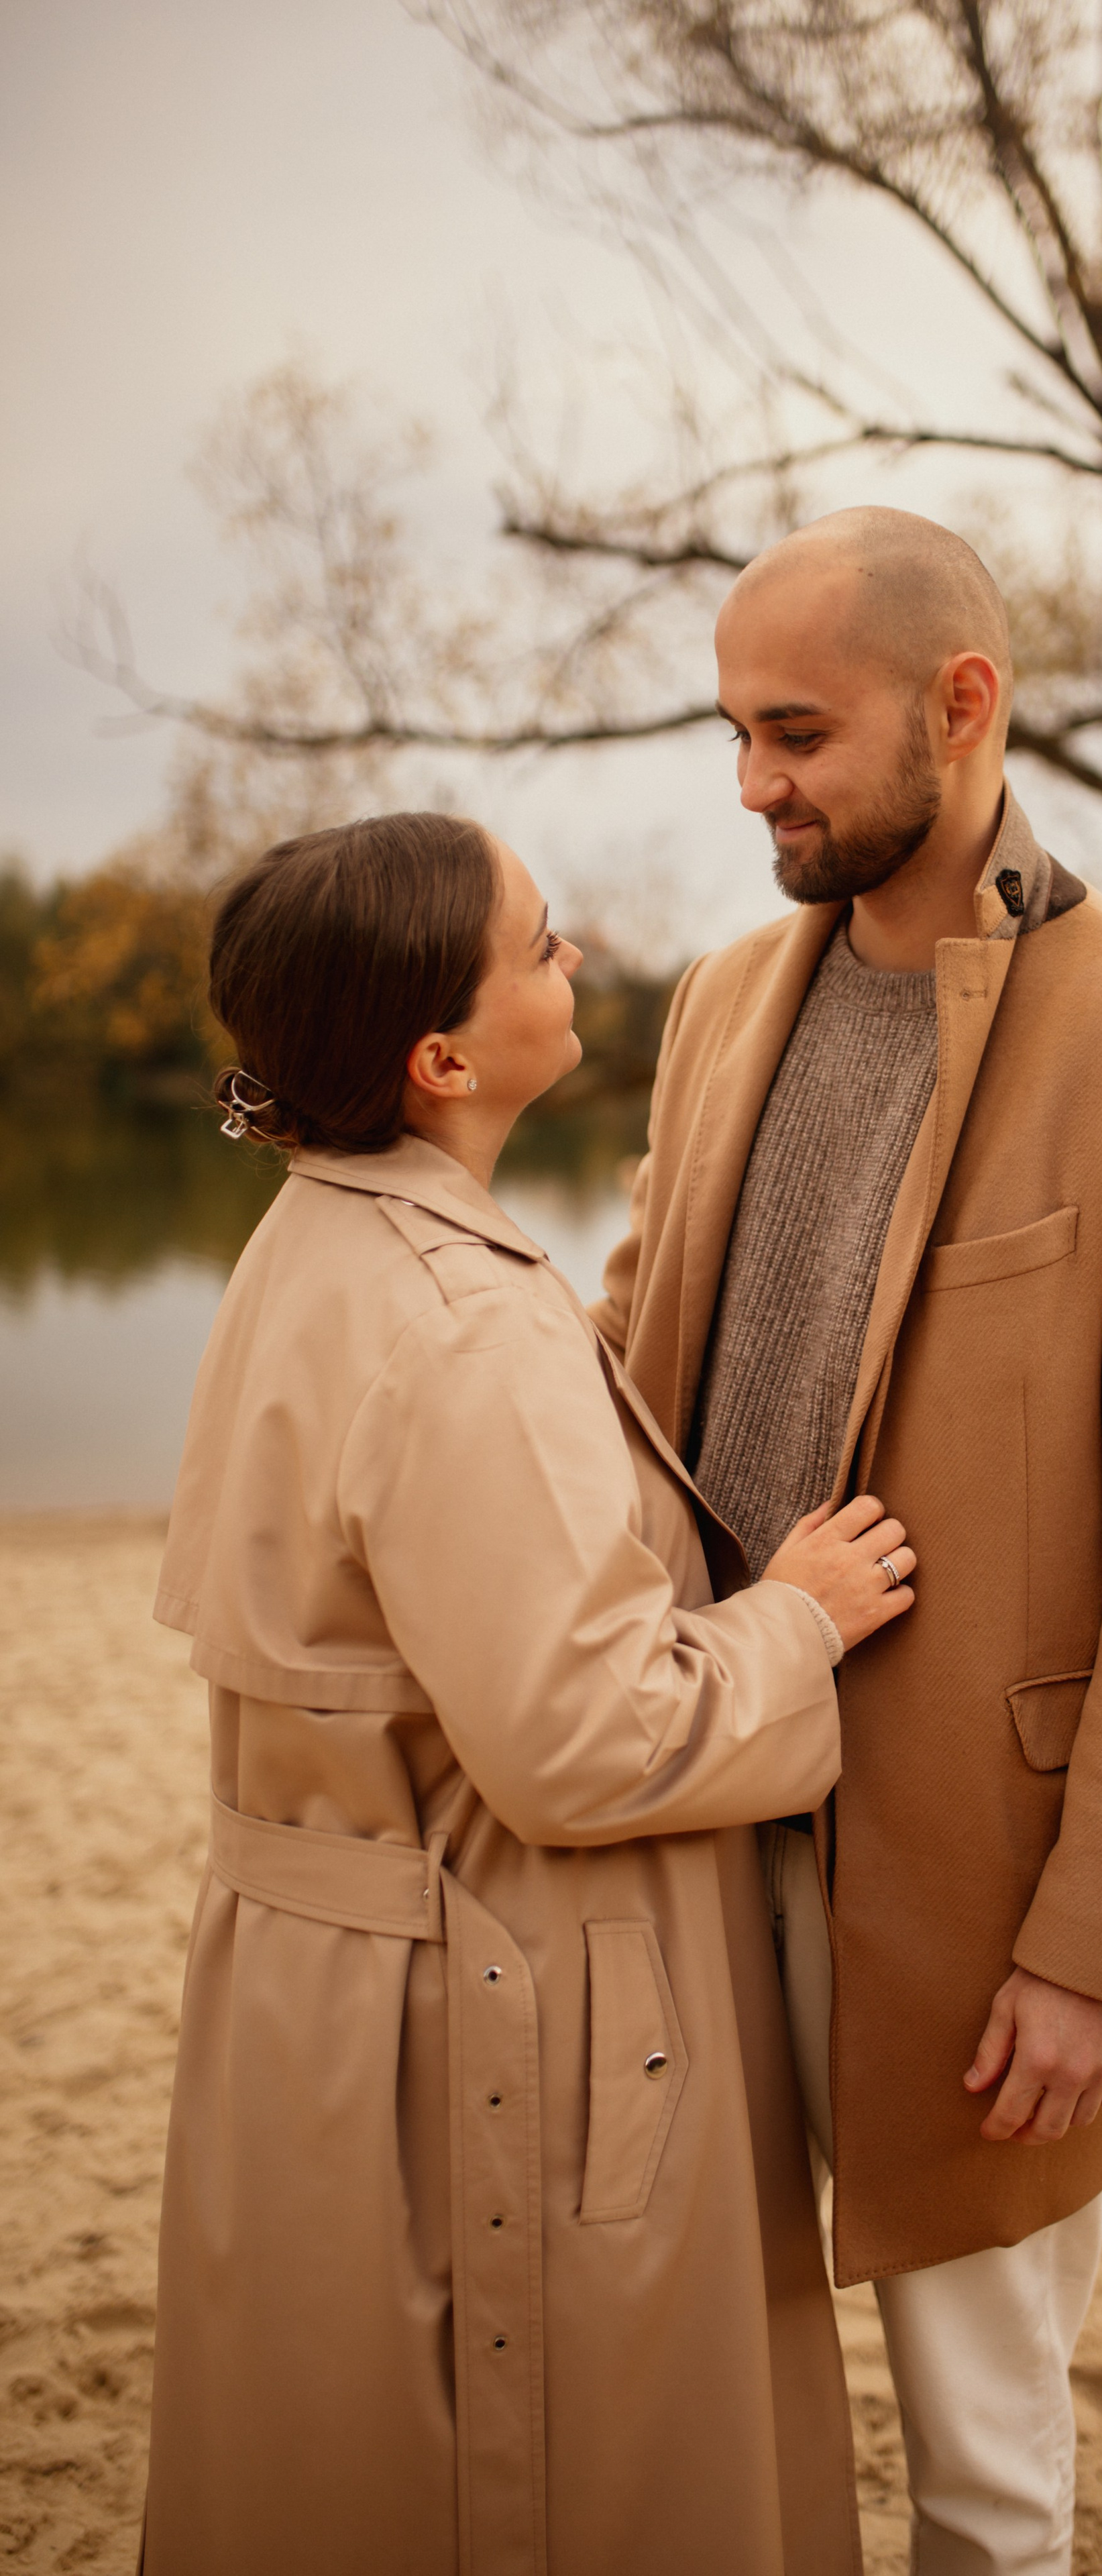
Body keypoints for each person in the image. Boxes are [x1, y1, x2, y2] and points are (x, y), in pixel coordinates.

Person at [589, 508, 1102, 2575]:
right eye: (735, 735)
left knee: (985, 2476)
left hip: (977, 1895)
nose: (753, 785)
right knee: (691, 2417)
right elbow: (627, 1364)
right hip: (686, 1824)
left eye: (796, 732)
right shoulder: (720, 999)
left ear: (963, 703)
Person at [142, 810, 917, 2576]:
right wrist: (797, 1621)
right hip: (494, 2006)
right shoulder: (457, 1317)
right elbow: (585, 1740)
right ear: (440, 1056)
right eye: (542, 940)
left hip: (318, 2007)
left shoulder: (313, 1240)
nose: (574, 959)